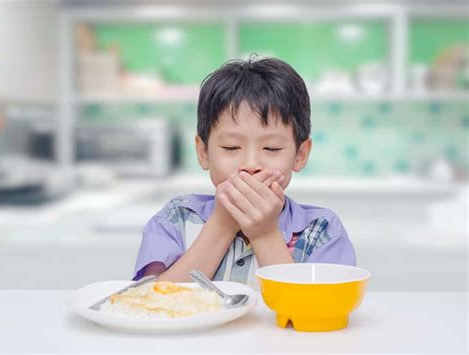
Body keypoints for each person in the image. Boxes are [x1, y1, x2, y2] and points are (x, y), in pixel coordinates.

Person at [133, 56, 356, 289]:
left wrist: (264, 234)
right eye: (231, 147)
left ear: (300, 155)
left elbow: (315, 316)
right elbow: (154, 303)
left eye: (271, 148)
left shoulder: (321, 230)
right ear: (203, 152)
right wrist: (222, 224)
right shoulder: (175, 219)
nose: (250, 164)